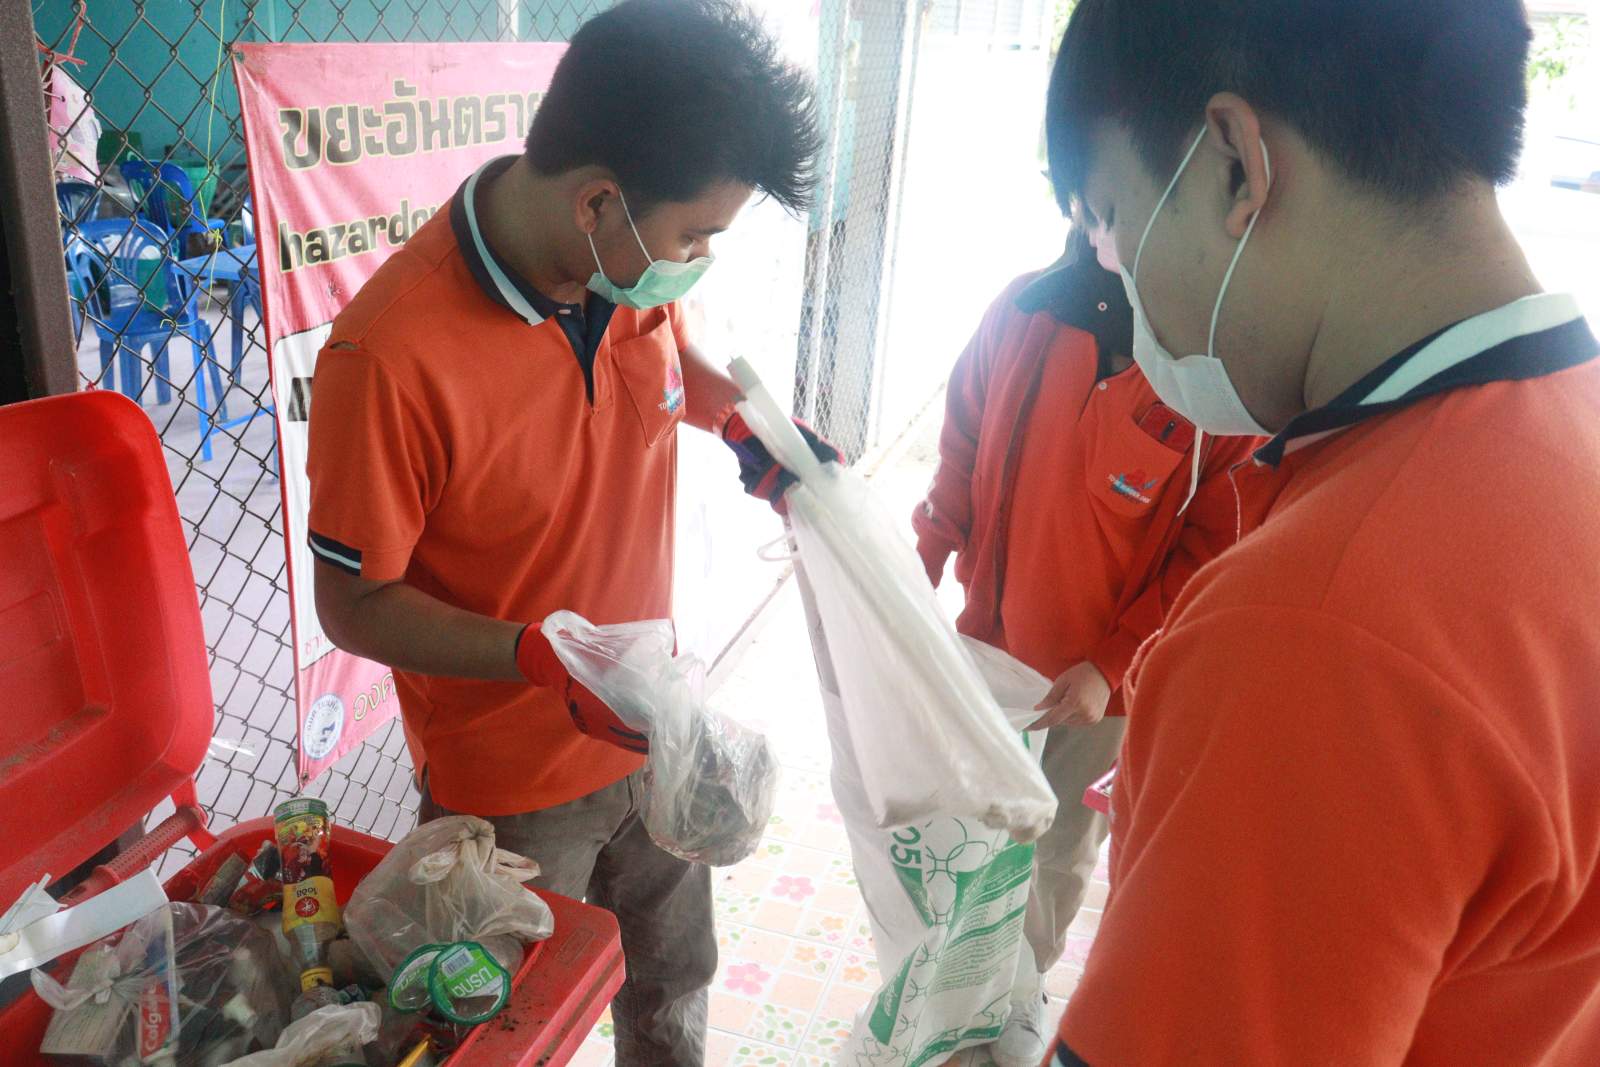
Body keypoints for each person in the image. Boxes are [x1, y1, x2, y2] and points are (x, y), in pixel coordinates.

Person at [1040, 1, 1600, 1063]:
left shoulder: (1318, 625)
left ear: (1234, 165)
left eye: (1113, 218)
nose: (1118, 273)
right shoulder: (1568, 432)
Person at [304, 2, 835, 1062]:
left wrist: (748, 428)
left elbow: (666, 357)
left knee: (672, 988)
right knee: (503, 1033)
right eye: (694, 236)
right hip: (512, 795)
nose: (697, 262)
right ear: (597, 202)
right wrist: (537, 655)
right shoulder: (389, 357)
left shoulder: (619, 269)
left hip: (653, 733)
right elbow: (352, 604)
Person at [911, 226, 1277, 1066]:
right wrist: (924, 553)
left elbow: (1212, 546)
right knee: (970, 831)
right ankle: (955, 981)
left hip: (1096, 693)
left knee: (1057, 848)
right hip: (988, 657)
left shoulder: (1213, 387)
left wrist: (1112, 664)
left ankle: (1019, 991)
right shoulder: (1024, 311)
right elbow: (961, 443)